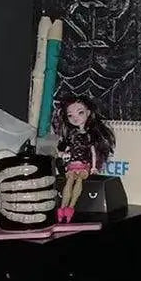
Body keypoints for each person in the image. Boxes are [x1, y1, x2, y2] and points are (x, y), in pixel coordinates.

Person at [53, 94, 115, 222]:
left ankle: (71, 207)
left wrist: (94, 167)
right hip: (72, 164)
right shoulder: (71, 135)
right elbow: (66, 149)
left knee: (79, 180)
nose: (75, 118)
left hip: (84, 164)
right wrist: (62, 154)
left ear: (88, 113)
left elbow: (93, 152)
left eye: (80, 112)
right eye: (70, 115)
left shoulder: (89, 135)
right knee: (69, 181)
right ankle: (62, 208)